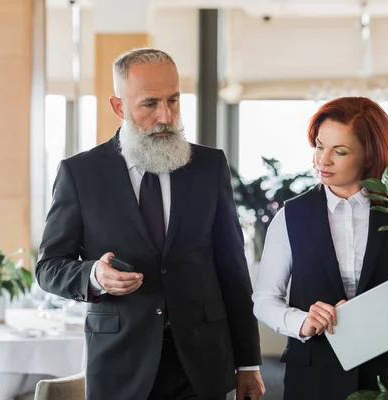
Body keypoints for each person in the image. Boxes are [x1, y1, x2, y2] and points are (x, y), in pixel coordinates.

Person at [35, 47, 265, 400]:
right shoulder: (80, 174)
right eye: (150, 104)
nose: (166, 116)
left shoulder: (209, 165)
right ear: (118, 107)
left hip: (204, 363)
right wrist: (94, 275)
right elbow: (49, 267)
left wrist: (248, 363)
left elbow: (232, 269)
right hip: (120, 364)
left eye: (174, 100)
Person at [252, 97, 388, 400]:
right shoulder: (291, 216)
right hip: (314, 376)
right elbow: (264, 299)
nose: (322, 160)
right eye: (319, 146)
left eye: (339, 151)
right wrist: (301, 322)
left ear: (369, 155)